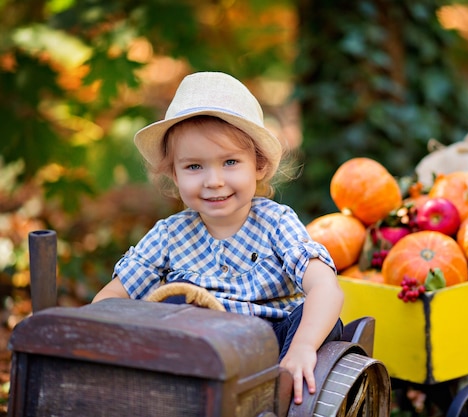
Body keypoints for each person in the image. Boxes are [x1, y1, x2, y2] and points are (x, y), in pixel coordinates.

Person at [92, 71, 345, 405]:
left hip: (269, 356)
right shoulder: (169, 236)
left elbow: (326, 287)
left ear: (258, 165)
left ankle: (272, 398)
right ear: (174, 174)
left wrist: (301, 348)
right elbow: (109, 299)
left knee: (318, 321)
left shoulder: (275, 223)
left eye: (229, 162)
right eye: (194, 167)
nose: (213, 181)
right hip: (192, 362)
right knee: (171, 304)